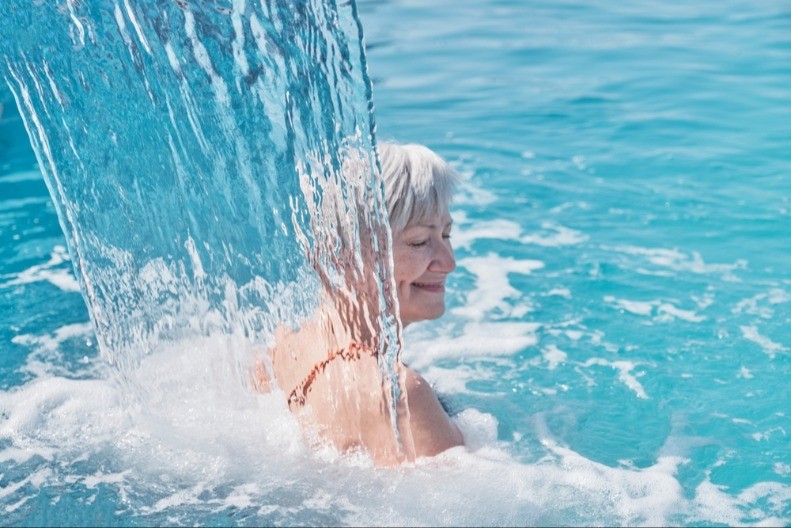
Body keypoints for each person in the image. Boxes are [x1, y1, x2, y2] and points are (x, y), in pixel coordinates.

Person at [256, 142, 464, 465]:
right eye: (420, 241)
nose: (448, 262)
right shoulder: (400, 397)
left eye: (446, 235)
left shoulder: (275, 357)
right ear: (347, 254)